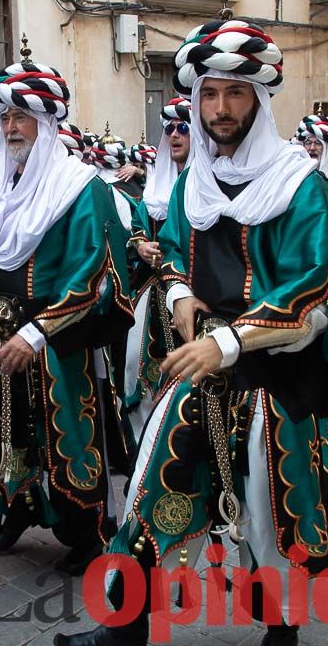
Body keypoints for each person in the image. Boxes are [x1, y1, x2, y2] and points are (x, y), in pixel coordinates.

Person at [59, 15, 328, 646]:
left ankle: (281, 627)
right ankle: (123, 627)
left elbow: (311, 292)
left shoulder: (304, 188)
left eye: (234, 93)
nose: (219, 108)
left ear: (260, 99)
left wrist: (229, 340)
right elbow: (170, 248)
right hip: (204, 371)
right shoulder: (195, 180)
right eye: (208, 94)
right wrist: (180, 290)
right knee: (152, 486)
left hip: (277, 379)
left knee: (270, 519)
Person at [0, 40, 133, 576]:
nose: (10, 128)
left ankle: (86, 536)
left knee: (65, 440)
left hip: (57, 345)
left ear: (48, 123)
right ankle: (12, 511)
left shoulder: (81, 190)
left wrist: (37, 334)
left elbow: (92, 276)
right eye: (3, 117)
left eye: (22, 116)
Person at [122, 97, 191, 436]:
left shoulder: (205, 184)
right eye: (169, 129)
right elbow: (136, 227)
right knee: (139, 371)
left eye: (183, 128)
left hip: (192, 300)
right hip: (150, 298)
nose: (175, 135)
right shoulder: (156, 186)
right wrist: (140, 244)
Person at [295, 111, 328, 187]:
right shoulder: (297, 179)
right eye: (308, 143)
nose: (312, 148)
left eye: (318, 143)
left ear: (327, 149)